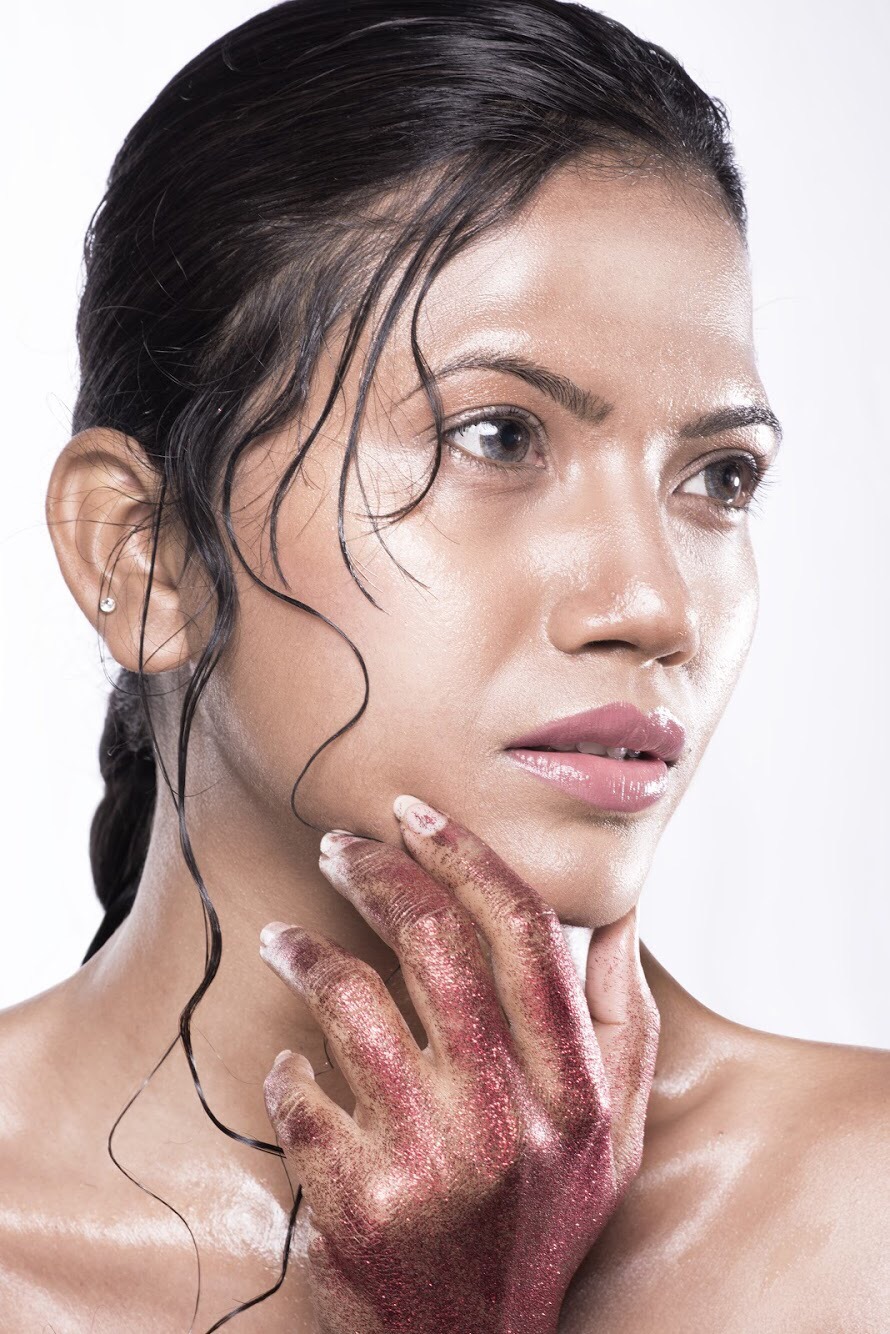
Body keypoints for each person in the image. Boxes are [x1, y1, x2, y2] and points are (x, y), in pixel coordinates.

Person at [0, 0, 886, 1328]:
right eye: (497, 437)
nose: (654, 603)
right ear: (146, 555)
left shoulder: (860, 1220)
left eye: (718, 476)